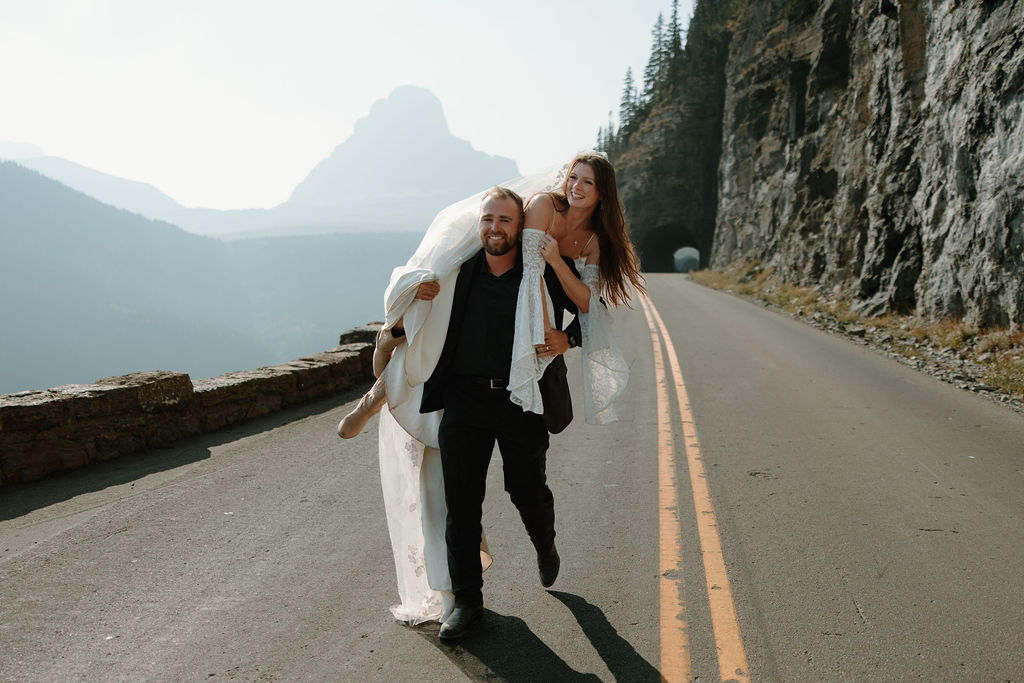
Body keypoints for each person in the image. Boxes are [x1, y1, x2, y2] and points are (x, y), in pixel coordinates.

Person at [417, 187, 579, 640]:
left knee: (527, 490)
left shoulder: (539, 273)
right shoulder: (456, 273)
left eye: (505, 220)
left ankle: (545, 545)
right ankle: (468, 603)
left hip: (520, 402)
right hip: (464, 402)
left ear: (519, 226)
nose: (494, 228)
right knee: (462, 506)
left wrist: (571, 338)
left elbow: (593, 306)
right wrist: (414, 298)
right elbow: (411, 312)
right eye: (488, 219)